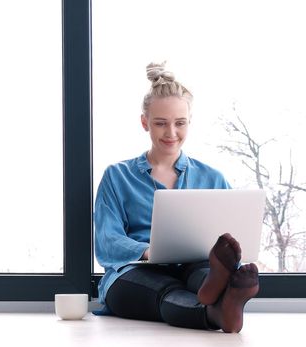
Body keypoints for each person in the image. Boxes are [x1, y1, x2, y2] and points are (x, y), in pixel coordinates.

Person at [94, 62, 259, 333]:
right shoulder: (117, 175)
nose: (171, 133)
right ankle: (219, 314)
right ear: (144, 122)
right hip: (133, 273)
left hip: (195, 265)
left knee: (204, 273)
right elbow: (107, 242)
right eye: (160, 123)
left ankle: (217, 291)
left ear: (189, 122)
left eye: (180, 123)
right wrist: (148, 251)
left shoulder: (213, 178)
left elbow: (232, 237)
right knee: (166, 292)